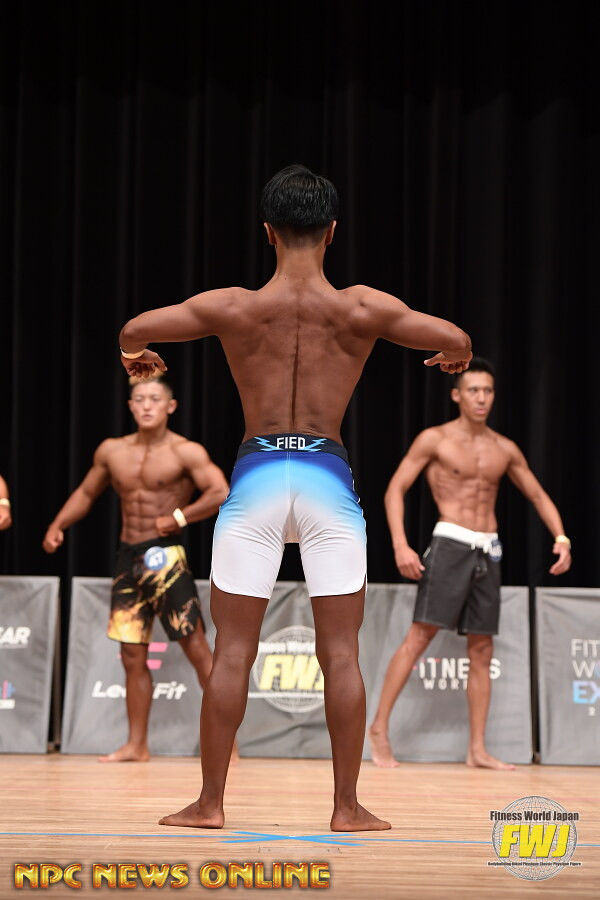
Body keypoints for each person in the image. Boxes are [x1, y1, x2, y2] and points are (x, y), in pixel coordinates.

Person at [117, 164, 472, 831]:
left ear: (268, 233)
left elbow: (136, 328)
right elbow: (456, 340)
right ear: (332, 232)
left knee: (232, 651)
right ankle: (346, 808)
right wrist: (454, 357)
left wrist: (137, 356)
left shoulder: (234, 307)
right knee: (340, 654)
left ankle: (209, 804)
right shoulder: (360, 308)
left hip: (255, 479)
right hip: (325, 481)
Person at [368, 357, 571, 770]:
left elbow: (537, 494)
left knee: (482, 648)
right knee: (419, 637)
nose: (482, 398)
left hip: (488, 549)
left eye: (488, 391)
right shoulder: (435, 439)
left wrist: (561, 537)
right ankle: (378, 730)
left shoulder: (504, 448)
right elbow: (395, 490)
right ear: (457, 395)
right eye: (473, 390)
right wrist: (401, 546)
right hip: (450, 543)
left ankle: (477, 749)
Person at [43, 376, 229, 762]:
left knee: (196, 648)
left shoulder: (185, 451)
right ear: (130, 406)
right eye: (139, 399)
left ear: (170, 406)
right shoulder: (112, 451)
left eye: (154, 399)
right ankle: (137, 745)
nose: (146, 405)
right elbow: (86, 492)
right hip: (128, 559)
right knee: (131, 654)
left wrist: (180, 516)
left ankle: (228, 742)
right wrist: (58, 524)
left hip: (166, 557)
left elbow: (220, 491)